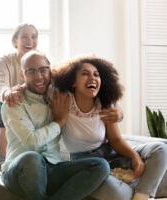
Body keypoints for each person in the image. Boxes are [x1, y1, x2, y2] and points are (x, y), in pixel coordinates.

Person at [52, 55, 167, 200]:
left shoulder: (105, 102)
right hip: (86, 165)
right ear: (73, 81)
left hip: (109, 153)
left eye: (96, 74)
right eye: (85, 73)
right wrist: (20, 89)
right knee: (115, 194)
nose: (92, 78)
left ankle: (141, 195)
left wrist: (134, 156)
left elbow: (115, 139)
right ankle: (128, 183)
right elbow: (41, 80)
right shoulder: (63, 99)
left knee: (160, 149)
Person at [1, 51, 110, 200]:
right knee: (32, 158)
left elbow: (91, 94)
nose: (39, 76)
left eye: (43, 70)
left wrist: (119, 114)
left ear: (50, 71)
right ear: (22, 75)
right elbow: (31, 142)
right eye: (31, 71)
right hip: (19, 172)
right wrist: (59, 122)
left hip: (52, 169)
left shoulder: (59, 95)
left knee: (101, 166)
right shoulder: (14, 103)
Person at [0, 23, 39, 162]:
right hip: (5, 104)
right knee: (5, 105)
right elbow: (0, 85)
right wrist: (8, 94)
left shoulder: (40, 61)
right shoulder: (5, 61)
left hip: (28, 106)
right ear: (15, 42)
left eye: (33, 37)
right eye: (24, 37)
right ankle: (3, 159)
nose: (30, 41)